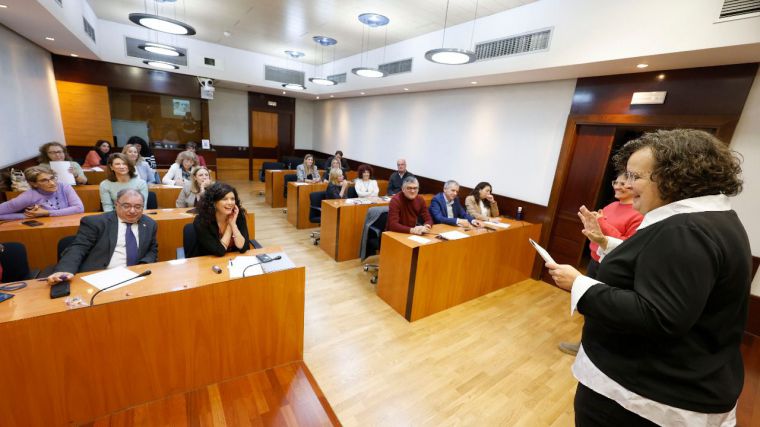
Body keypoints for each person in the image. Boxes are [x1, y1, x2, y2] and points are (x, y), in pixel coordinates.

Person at [546, 129, 751, 426]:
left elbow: (659, 316)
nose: (627, 185)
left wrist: (579, 284)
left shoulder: (685, 230)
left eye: (636, 176)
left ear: (675, 177)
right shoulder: (709, 220)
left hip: (644, 397)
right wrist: (606, 243)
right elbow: (656, 264)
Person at [558, 172, 644, 356]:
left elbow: (627, 245)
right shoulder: (612, 205)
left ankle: (590, 348)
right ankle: (585, 344)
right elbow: (597, 231)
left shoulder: (638, 213)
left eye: (624, 184)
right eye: (616, 182)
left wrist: (601, 222)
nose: (617, 186)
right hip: (595, 261)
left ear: (635, 186)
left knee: (600, 307)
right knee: (587, 303)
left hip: (612, 266)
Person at [46, 189, 158, 281]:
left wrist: (142, 266)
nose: (133, 211)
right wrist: (65, 269)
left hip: (134, 275)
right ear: (116, 205)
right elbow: (79, 247)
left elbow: (152, 249)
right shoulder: (95, 222)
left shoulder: (149, 224)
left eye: (138, 207)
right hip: (100, 275)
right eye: (126, 206)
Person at [188, 182, 250, 257]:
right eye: (224, 199)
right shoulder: (201, 221)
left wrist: (233, 224)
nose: (230, 202)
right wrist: (229, 226)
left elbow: (243, 247)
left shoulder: (239, 216)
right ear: (214, 202)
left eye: (232, 199)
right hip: (209, 262)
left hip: (234, 261)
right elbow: (220, 251)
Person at [0, 165, 84, 220]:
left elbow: (79, 208)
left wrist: (47, 213)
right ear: (34, 184)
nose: (52, 183)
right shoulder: (28, 196)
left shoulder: (63, 186)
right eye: (44, 180)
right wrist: (28, 216)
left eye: (52, 178)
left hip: (69, 223)